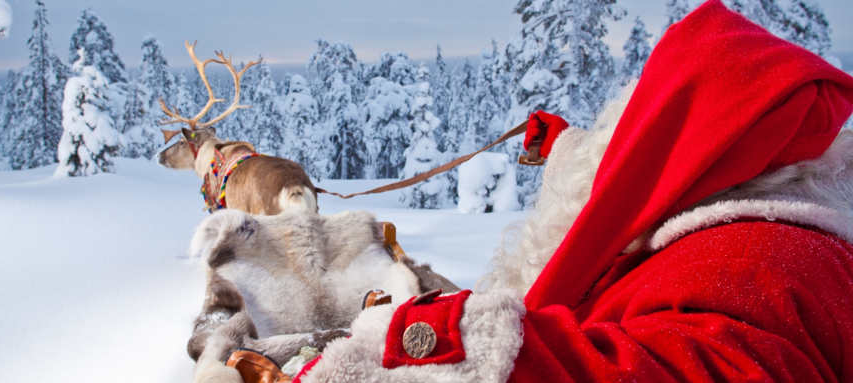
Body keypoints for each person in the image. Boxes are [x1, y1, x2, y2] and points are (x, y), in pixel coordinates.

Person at [292, 0, 853, 381]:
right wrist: (559, 142)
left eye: (641, 121)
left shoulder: (758, 265)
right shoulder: (746, 204)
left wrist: (444, 356)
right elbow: (621, 175)